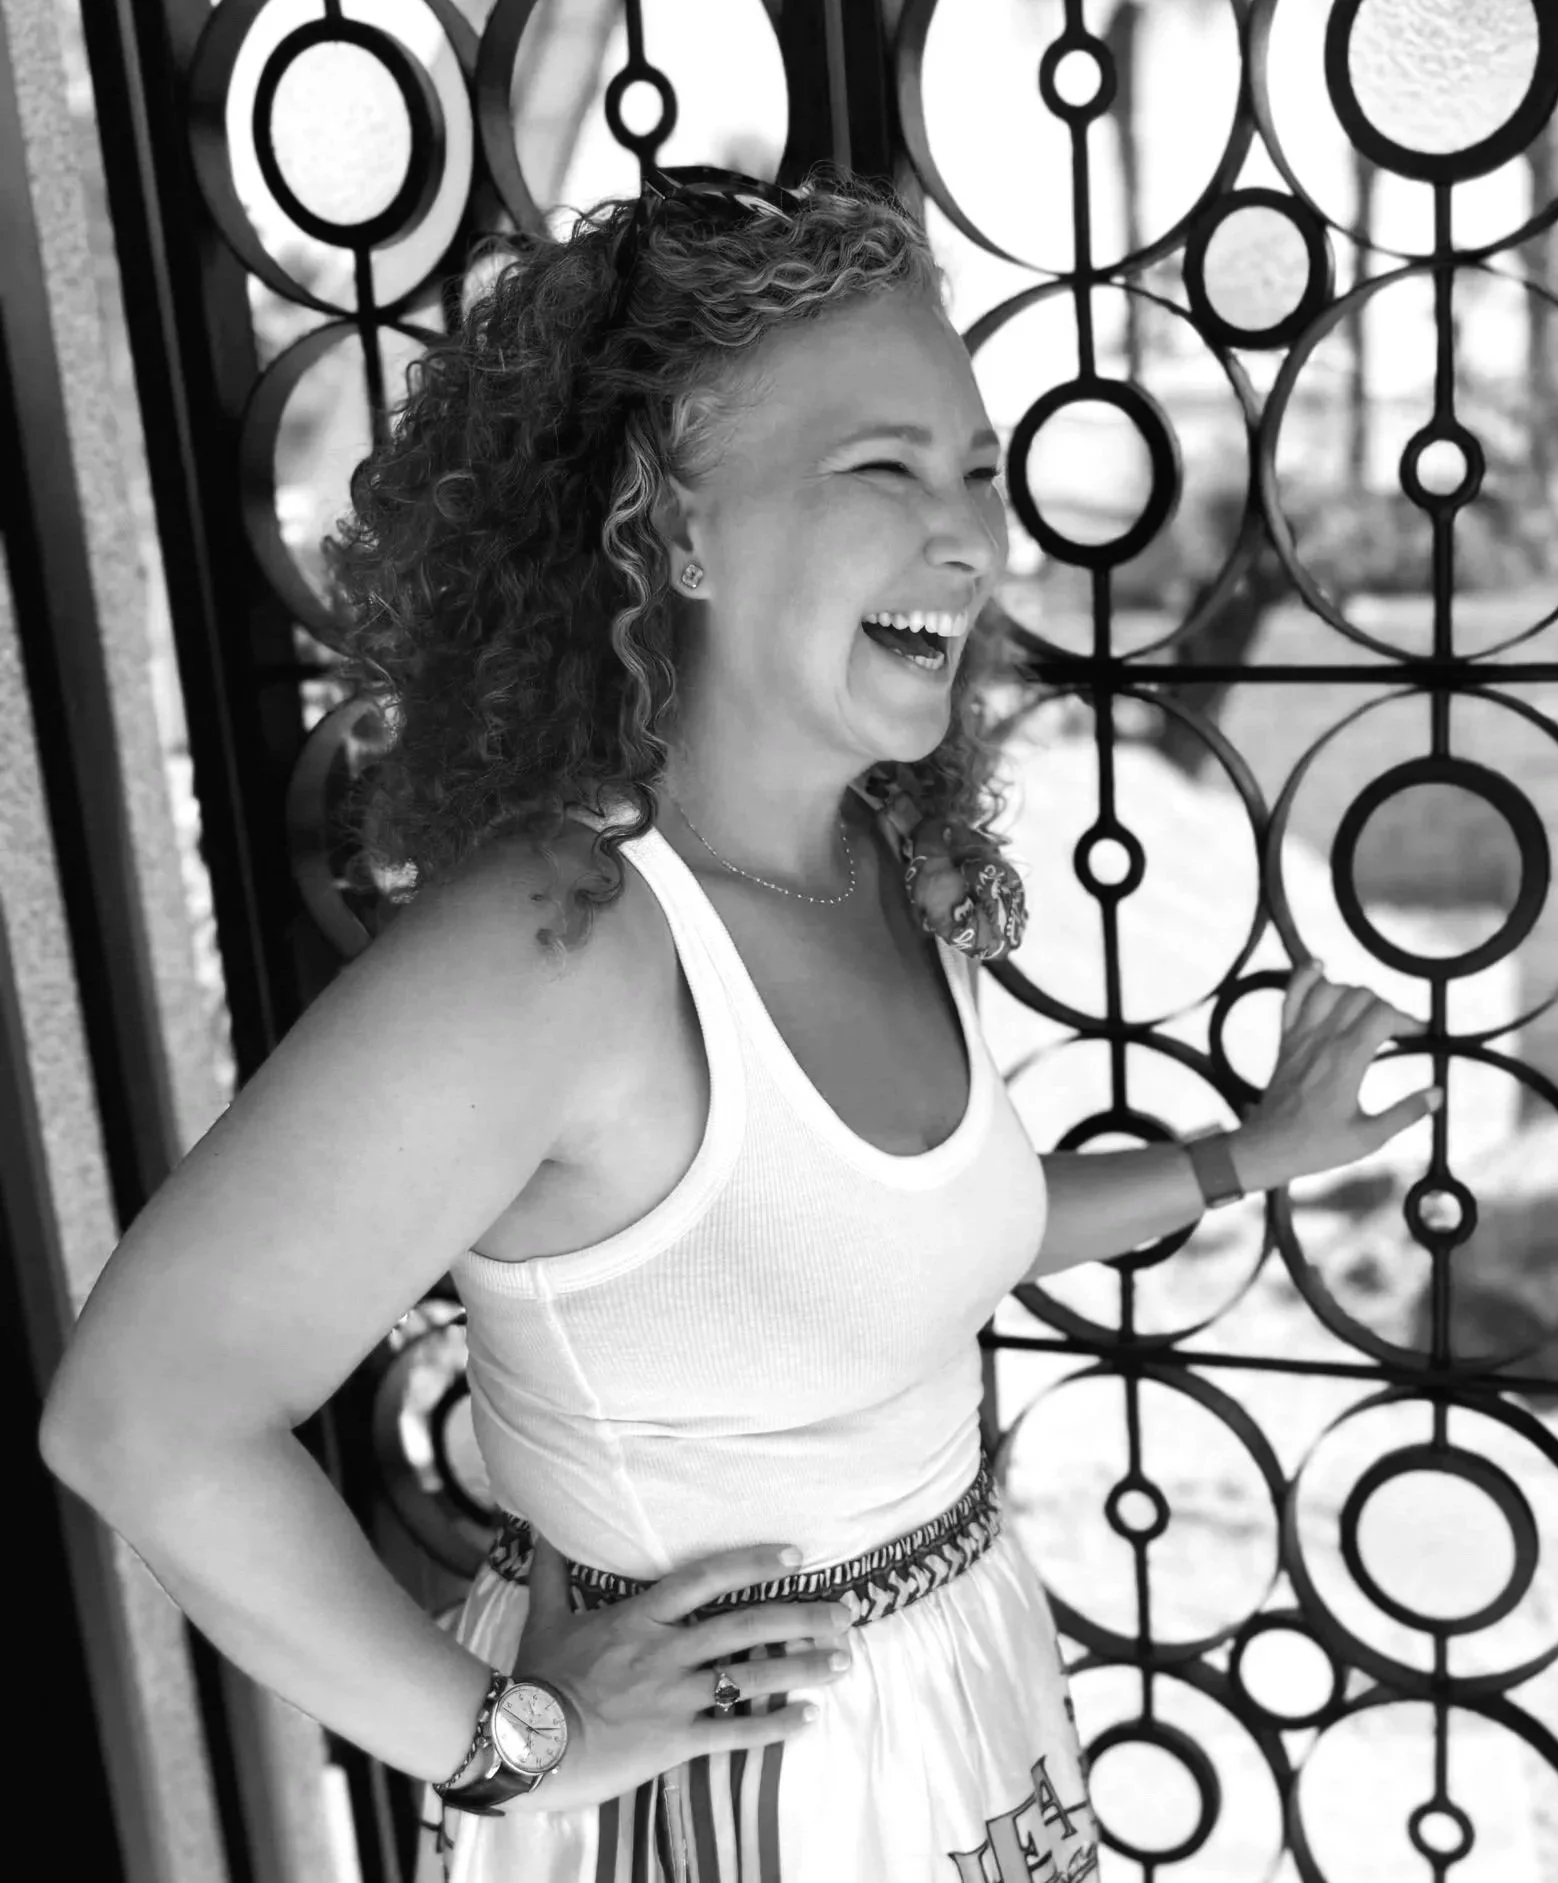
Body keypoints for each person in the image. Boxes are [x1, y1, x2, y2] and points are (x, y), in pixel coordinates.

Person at [37, 162, 1439, 1882]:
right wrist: (510, 1743)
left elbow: (891, 1259)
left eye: (979, 471)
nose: (971, 533)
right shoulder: (557, 953)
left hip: (962, 1712)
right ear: (675, 528)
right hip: (730, 1800)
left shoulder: (883, 860)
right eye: (881, 468)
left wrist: (1245, 1156)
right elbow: (143, 1413)